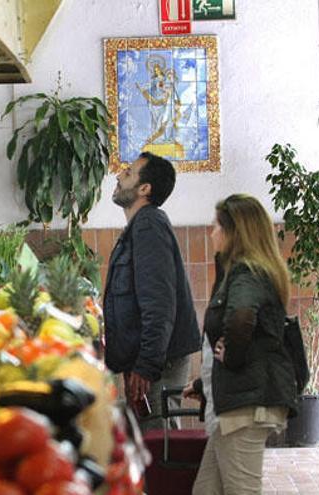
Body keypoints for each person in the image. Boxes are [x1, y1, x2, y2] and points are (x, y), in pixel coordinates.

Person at [190, 193, 298, 495]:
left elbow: (240, 318)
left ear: (233, 232)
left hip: (246, 407)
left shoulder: (246, 272)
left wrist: (232, 358)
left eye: (216, 226)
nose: (211, 232)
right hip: (241, 401)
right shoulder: (243, 271)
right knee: (206, 490)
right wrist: (204, 384)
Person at [103, 152, 201, 432]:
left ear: (144, 189)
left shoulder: (148, 225)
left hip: (159, 363)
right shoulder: (139, 227)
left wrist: (146, 365)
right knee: (153, 440)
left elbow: (159, 303)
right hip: (150, 359)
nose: (119, 176)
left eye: (129, 173)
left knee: (159, 444)